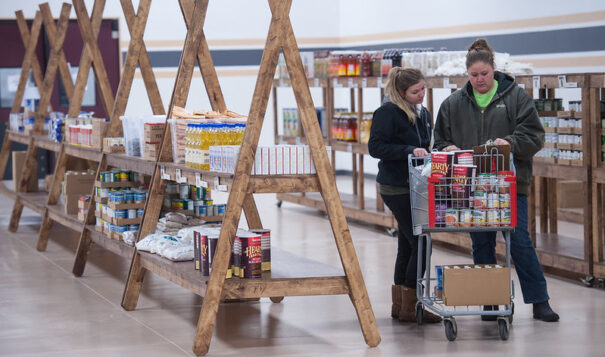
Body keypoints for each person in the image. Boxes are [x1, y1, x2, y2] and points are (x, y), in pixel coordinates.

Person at [434, 38, 559, 322]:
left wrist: (511, 142)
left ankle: (540, 301)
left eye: (485, 74)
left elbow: (534, 136)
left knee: (520, 240)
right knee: (481, 242)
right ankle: (489, 301)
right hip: (471, 185)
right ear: (467, 75)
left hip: (510, 184)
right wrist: (445, 148)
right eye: (474, 75)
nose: (479, 80)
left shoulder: (516, 97)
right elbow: (439, 140)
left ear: (494, 70)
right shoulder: (453, 104)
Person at [369, 67, 440, 323]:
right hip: (396, 186)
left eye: (423, 89)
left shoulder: (422, 113)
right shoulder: (388, 112)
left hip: (416, 185)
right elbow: (375, 147)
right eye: (415, 91)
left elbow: (426, 144)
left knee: (407, 242)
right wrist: (410, 150)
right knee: (422, 243)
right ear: (401, 92)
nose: (422, 94)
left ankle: (400, 305)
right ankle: (413, 306)